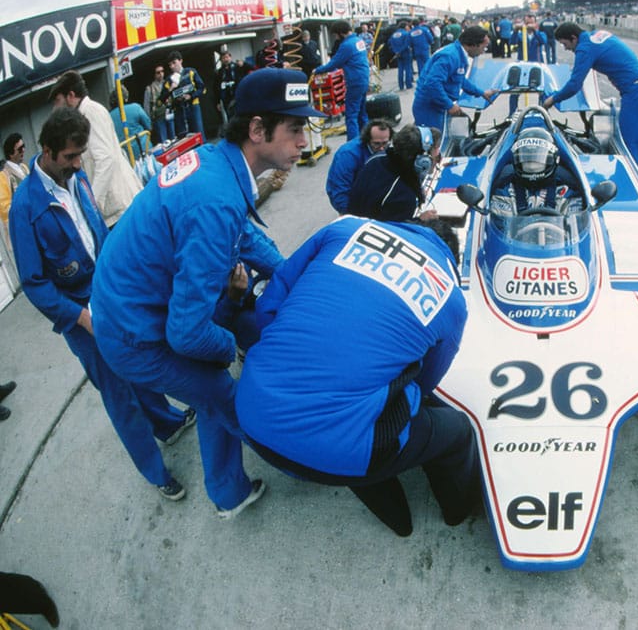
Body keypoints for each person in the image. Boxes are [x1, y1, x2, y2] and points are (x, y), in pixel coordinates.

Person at [90, 68, 325, 519]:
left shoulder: (220, 165)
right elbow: (186, 334)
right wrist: (231, 348)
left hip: (136, 308)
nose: (304, 141)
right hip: (133, 337)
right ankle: (299, 462)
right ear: (257, 130)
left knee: (210, 390)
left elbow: (243, 235)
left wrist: (290, 275)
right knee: (225, 392)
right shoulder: (214, 199)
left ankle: (226, 491)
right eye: (295, 129)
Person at [235, 216, 476, 537]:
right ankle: (458, 511)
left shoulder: (343, 229)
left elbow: (270, 301)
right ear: (452, 258)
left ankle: (397, 518)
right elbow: (427, 382)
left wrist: (296, 358)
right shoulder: (451, 295)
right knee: (456, 431)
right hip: (341, 446)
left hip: (252, 415)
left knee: (355, 409)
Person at [8, 107, 195, 500]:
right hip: (78, 313)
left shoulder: (76, 178)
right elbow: (34, 283)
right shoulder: (26, 207)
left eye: (81, 155)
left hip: (110, 293)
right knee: (118, 393)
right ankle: (155, 472)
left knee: (143, 363)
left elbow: (96, 232)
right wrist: (79, 317)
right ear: (47, 151)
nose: (78, 164)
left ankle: (167, 424)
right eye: (71, 157)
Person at [542, 23, 638, 173]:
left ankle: (635, 185)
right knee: (632, 141)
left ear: (574, 38)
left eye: (565, 44)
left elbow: (574, 84)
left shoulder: (584, 48)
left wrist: (553, 99)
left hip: (636, 92)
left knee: (629, 145)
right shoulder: (597, 35)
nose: (566, 48)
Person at [48, 71, 143, 228]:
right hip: (115, 210)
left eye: (58, 101)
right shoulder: (83, 116)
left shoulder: (91, 112)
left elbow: (106, 159)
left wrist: (93, 206)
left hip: (119, 208)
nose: (55, 108)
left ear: (71, 96)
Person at [347, 124, 440, 222]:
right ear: (422, 161)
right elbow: (397, 231)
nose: (436, 161)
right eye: (435, 157)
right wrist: (420, 220)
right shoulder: (404, 197)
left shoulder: (376, 158)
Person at [412, 26, 498, 132]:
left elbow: (460, 79)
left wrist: (481, 93)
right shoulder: (450, 56)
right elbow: (432, 83)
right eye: (483, 48)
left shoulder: (459, 54)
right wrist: (449, 105)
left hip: (440, 105)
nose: (483, 52)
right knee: (433, 143)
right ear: (474, 44)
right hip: (429, 108)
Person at [489, 126, 583, 217]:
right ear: (515, 159)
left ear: (555, 159)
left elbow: (575, 228)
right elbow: (499, 228)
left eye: (538, 160)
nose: (532, 167)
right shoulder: (504, 193)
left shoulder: (566, 193)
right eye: (526, 160)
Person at [315, 20, 370, 141]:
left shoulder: (346, 45)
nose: (335, 37)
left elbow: (335, 63)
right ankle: (367, 139)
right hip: (364, 79)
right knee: (362, 113)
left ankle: (353, 144)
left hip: (355, 82)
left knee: (351, 115)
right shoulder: (358, 40)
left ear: (341, 33)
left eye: (335, 34)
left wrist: (317, 70)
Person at [325, 118, 393, 213]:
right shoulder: (348, 155)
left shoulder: (389, 147)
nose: (382, 148)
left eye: (385, 143)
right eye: (376, 144)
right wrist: (351, 215)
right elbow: (340, 191)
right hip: (349, 194)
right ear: (367, 140)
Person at [160, 50, 206, 139]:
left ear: (180, 61)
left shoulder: (190, 72)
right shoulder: (169, 80)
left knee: (199, 135)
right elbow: (162, 99)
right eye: (170, 65)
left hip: (193, 107)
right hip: (179, 111)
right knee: (184, 138)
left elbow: (202, 88)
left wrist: (191, 96)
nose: (172, 66)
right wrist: (170, 89)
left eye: (174, 63)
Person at [108, 88, 153, 159]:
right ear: (126, 98)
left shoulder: (108, 117)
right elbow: (149, 126)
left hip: (125, 156)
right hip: (145, 149)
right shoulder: (135, 107)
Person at [143, 65, 173, 144]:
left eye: (162, 71)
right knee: (164, 143)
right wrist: (149, 123)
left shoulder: (168, 83)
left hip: (170, 114)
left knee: (174, 139)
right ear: (154, 75)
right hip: (159, 118)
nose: (161, 74)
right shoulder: (150, 89)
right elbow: (146, 107)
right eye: (158, 72)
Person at [215, 49, 243, 126]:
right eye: (223, 58)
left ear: (230, 57)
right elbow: (216, 87)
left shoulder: (237, 67)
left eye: (227, 57)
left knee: (241, 115)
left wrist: (243, 64)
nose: (225, 59)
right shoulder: (220, 72)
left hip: (237, 96)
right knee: (231, 117)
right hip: (226, 99)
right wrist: (217, 102)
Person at [389, 20, 414, 91]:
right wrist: (401, 51)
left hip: (397, 54)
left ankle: (401, 85)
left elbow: (390, 44)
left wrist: (396, 52)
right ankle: (408, 84)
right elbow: (407, 44)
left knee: (400, 69)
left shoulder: (393, 34)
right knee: (408, 69)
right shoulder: (406, 34)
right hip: (406, 53)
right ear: (405, 26)